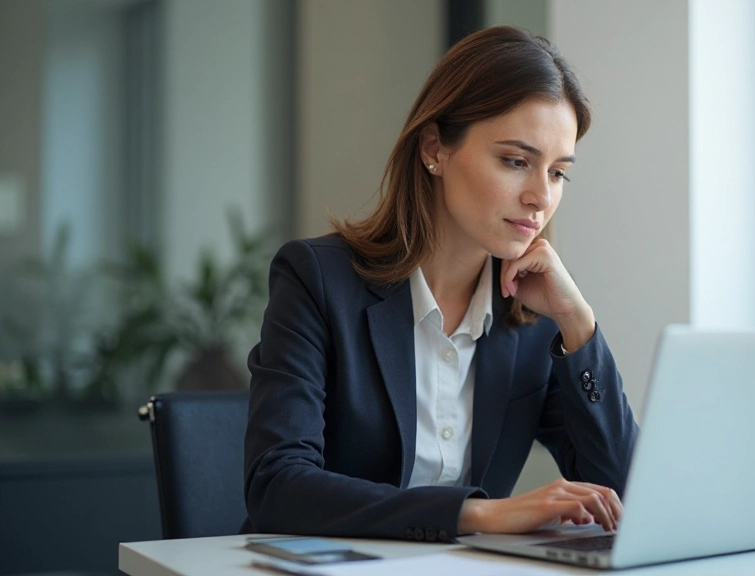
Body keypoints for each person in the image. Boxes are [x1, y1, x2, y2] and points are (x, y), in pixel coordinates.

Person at [242, 25, 639, 543]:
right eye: (516, 162)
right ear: (435, 148)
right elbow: (278, 487)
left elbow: (623, 491)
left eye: (558, 173)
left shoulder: (534, 315)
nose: (540, 196)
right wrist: (476, 515)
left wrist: (577, 324)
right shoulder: (318, 281)